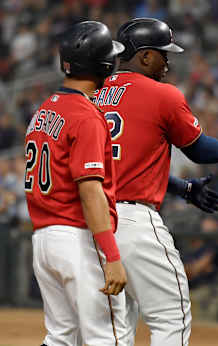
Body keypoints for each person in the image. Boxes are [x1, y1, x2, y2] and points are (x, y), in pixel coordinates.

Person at [93, 18, 218, 346]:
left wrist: (178, 186)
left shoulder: (95, 93)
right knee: (171, 316)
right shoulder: (162, 94)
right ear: (145, 56)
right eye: (163, 53)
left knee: (112, 329)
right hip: (133, 222)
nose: (168, 61)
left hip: (92, 224)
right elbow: (200, 149)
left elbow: (111, 163)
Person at [24, 21, 128, 345]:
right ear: (103, 64)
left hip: (44, 240)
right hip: (78, 239)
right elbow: (90, 191)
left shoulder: (43, 111)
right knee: (106, 338)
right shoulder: (85, 116)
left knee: (59, 338)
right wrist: (112, 256)